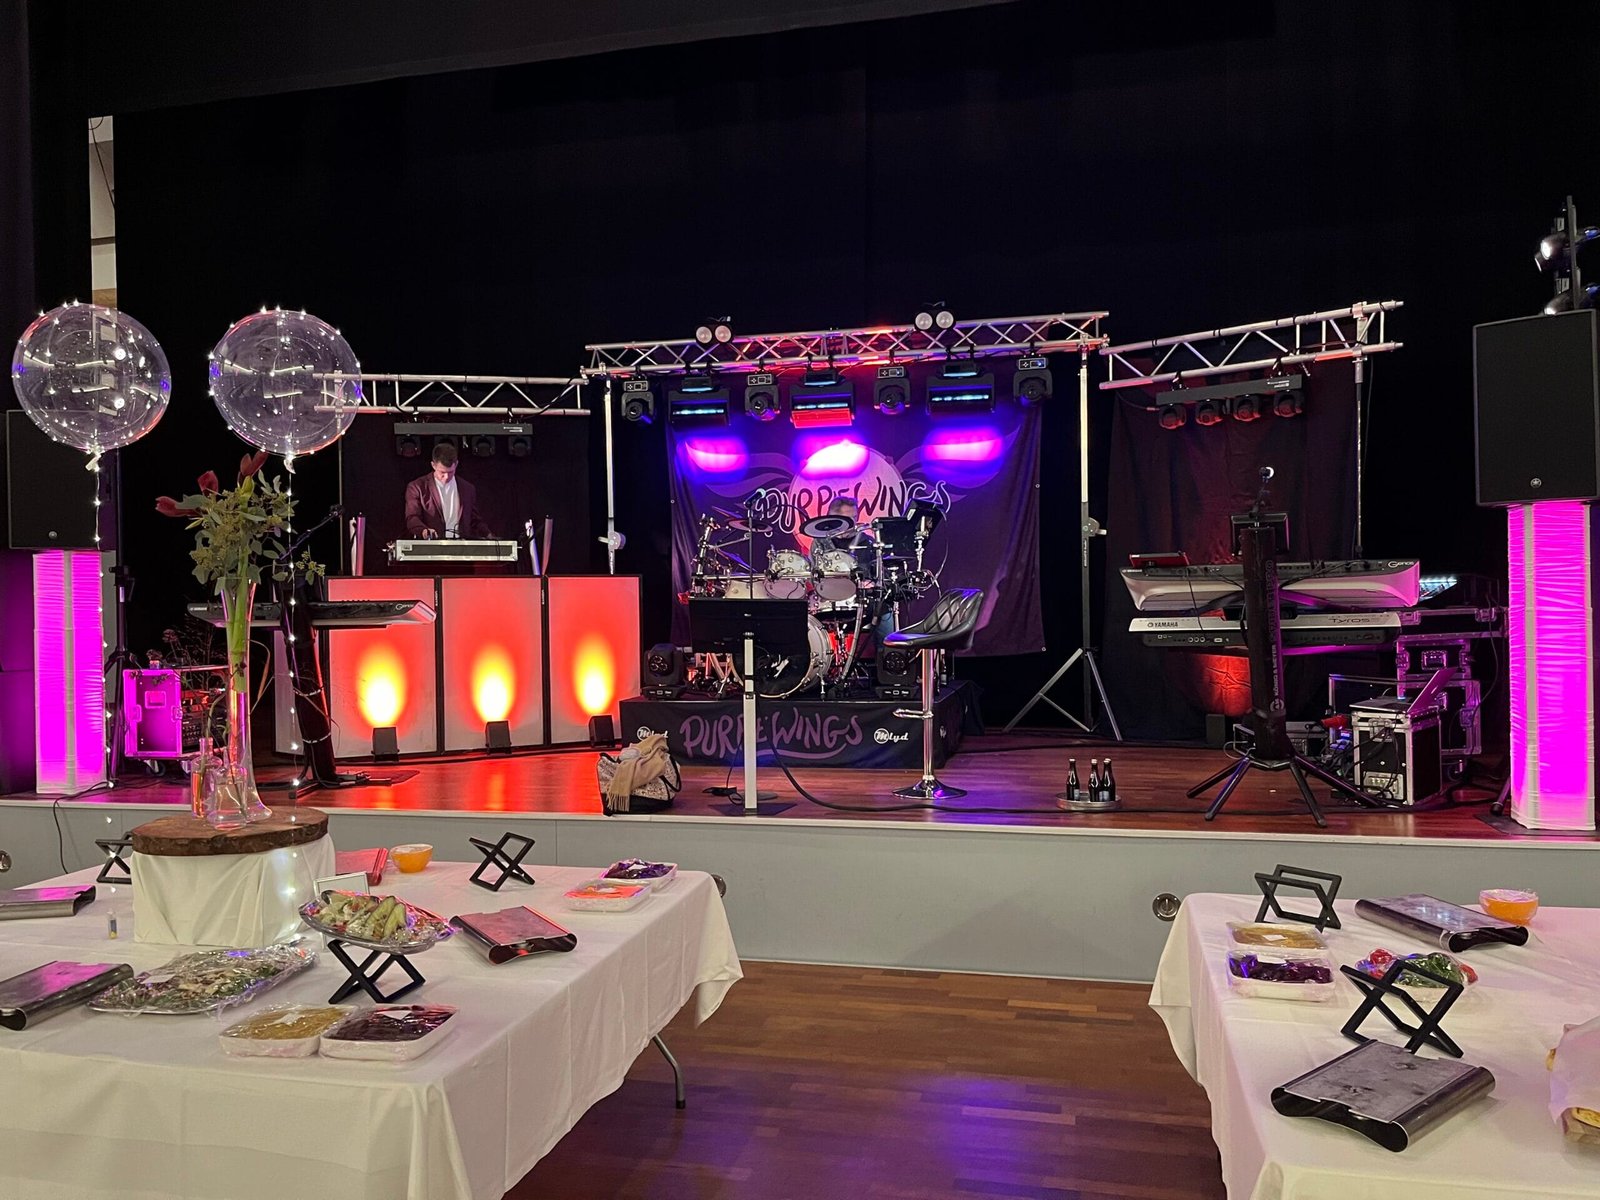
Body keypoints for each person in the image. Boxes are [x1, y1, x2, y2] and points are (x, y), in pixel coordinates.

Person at [403, 443, 493, 539]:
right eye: (442, 472)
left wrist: (488, 534)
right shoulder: (417, 487)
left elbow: (474, 520)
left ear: (456, 464)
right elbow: (412, 517)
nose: (446, 477)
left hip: (461, 543)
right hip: (432, 544)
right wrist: (423, 530)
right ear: (433, 465)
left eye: (450, 472)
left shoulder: (467, 489)